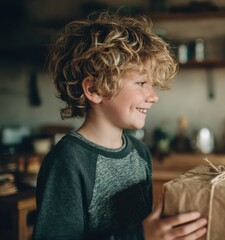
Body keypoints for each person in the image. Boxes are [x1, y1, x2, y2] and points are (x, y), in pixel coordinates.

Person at [33, 11, 207, 240]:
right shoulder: (67, 161)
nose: (154, 96)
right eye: (141, 83)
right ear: (94, 90)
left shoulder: (139, 152)